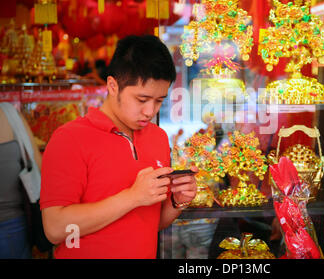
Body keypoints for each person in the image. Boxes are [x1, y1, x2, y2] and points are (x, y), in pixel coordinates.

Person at [40, 35, 197, 259]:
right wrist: (132, 197)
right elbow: (55, 229)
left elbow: (151, 223)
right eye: (142, 100)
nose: (150, 111)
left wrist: (177, 201)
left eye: (159, 100)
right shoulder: (70, 138)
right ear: (113, 86)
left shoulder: (158, 137)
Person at [0, 102, 42, 259]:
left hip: (14, 226)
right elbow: (39, 166)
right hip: (14, 226)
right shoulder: (10, 114)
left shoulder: (10, 114)